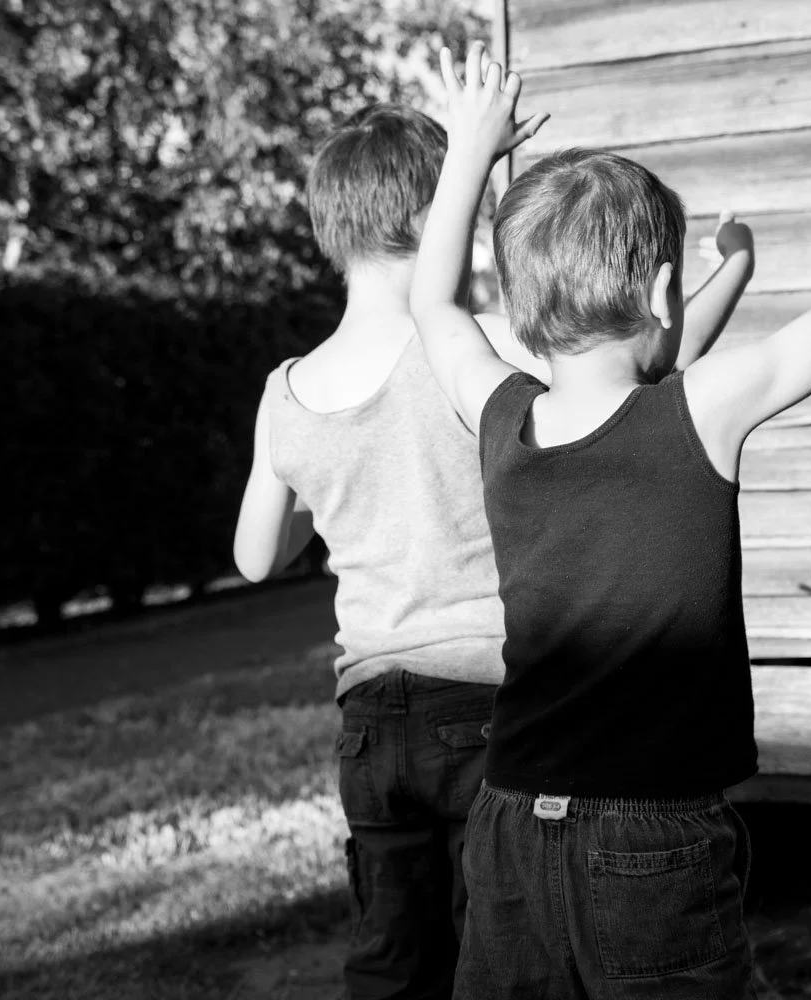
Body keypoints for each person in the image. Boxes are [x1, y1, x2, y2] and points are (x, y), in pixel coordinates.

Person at [407, 6, 811, 995]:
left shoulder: (503, 415)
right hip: (650, 841)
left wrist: (472, 153)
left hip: (510, 820)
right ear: (662, 290)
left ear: (526, 309)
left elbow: (434, 306)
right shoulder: (695, 413)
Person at [230, 97, 754, 997]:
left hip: (368, 718)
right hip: (485, 708)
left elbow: (255, 558)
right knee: (505, 936)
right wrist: (730, 273)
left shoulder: (287, 393)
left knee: (393, 948)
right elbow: (649, 366)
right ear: (441, 214)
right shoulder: (489, 352)